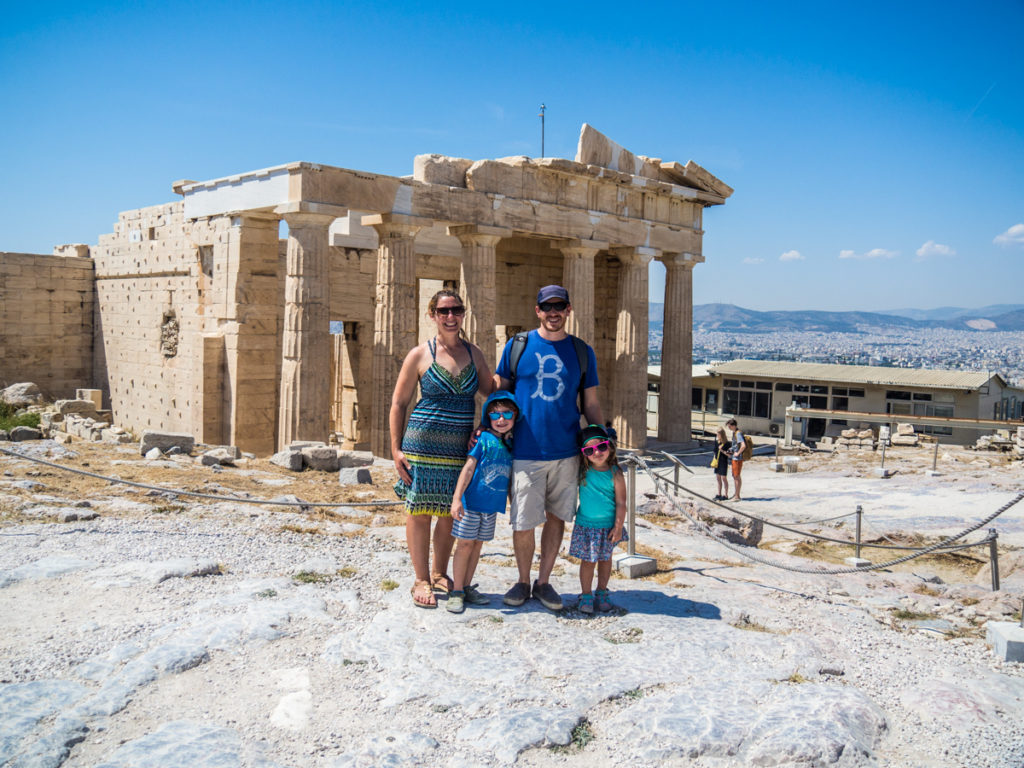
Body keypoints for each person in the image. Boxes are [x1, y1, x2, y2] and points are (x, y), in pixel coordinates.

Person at [495, 284, 603, 611]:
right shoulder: (518, 346)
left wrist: (602, 437)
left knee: (557, 518)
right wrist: (490, 432)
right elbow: (500, 393)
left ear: (569, 310)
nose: (553, 312)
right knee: (524, 521)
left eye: (560, 306)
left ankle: (543, 582)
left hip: (567, 451)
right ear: (537, 310)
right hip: (526, 450)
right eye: (547, 307)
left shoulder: (582, 351)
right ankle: (523, 580)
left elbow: (591, 402)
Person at [390, 289, 495, 608]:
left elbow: (491, 390)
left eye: (457, 310)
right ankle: (420, 579)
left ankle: (439, 573)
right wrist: (395, 449)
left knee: (449, 514)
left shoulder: (474, 354)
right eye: (444, 311)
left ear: (463, 314)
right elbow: (399, 403)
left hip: (458, 448)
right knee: (420, 511)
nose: (451, 317)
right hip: (422, 444)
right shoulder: (419, 354)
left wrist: (484, 429)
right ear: (432, 315)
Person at [446, 390, 519, 614]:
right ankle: (456, 590)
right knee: (465, 544)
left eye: (507, 415)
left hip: (490, 507)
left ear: (515, 417)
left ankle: (467, 587)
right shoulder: (483, 439)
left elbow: (508, 479)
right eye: (496, 415)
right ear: (488, 417)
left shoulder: (510, 444)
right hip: (471, 503)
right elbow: (468, 468)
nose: (501, 420)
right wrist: (457, 499)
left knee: (477, 546)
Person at [569, 424, 626, 614]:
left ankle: (602, 592)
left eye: (601, 447)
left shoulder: (616, 473)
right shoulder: (582, 470)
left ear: (609, 446)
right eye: (589, 450)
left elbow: (621, 503)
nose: (597, 453)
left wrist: (618, 526)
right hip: (586, 525)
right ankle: (586, 594)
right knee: (588, 562)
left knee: (606, 560)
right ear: (584, 453)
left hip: (607, 526)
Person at [726, 418, 747, 501]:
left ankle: (737, 496)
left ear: (733, 426)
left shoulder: (738, 434)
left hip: (737, 458)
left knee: (736, 476)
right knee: (736, 476)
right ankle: (736, 494)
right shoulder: (735, 433)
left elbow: (743, 446)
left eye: (729, 426)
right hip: (735, 457)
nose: (729, 428)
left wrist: (737, 453)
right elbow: (736, 446)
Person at [712, 426, 731, 501]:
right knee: (718, 478)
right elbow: (714, 452)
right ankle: (719, 494)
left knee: (724, 478)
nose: (717, 436)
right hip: (717, 462)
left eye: (718, 434)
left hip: (723, 462)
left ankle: (726, 495)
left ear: (722, 434)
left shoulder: (727, 443)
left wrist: (722, 450)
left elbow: (729, 455)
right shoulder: (717, 442)